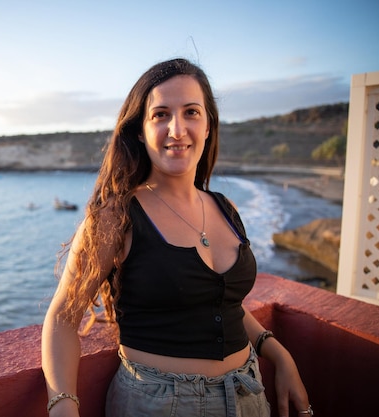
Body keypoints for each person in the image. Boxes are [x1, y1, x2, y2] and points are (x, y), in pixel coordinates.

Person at [41, 58, 311, 417]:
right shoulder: (115, 216)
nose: (177, 129)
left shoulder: (225, 208)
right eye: (161, 114)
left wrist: (276, 351)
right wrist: (63, 407)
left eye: (191, 112)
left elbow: (220, 302)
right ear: (140, 129)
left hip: (249, 394)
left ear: (209, 125)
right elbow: (62, 317)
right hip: (158, 404)